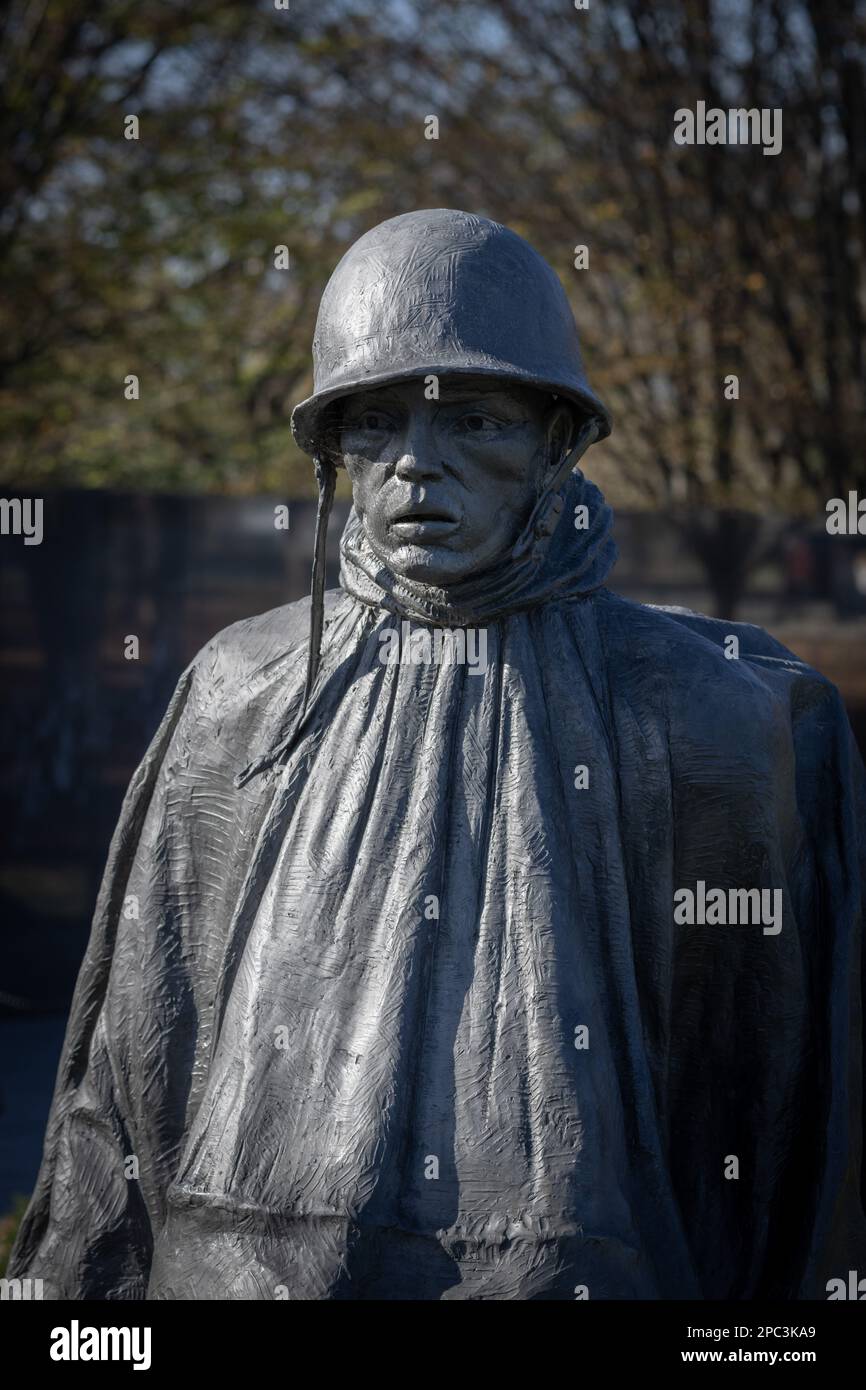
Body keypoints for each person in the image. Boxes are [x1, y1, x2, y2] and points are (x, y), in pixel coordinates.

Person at [9, 209, 866, 1300]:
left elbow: (763, 1122)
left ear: (555, 439)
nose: (419, 465)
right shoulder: (240, 692)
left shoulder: (705, 716)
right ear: (332, 453)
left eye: (473, 422)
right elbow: (133, 1071)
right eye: (375, 424)